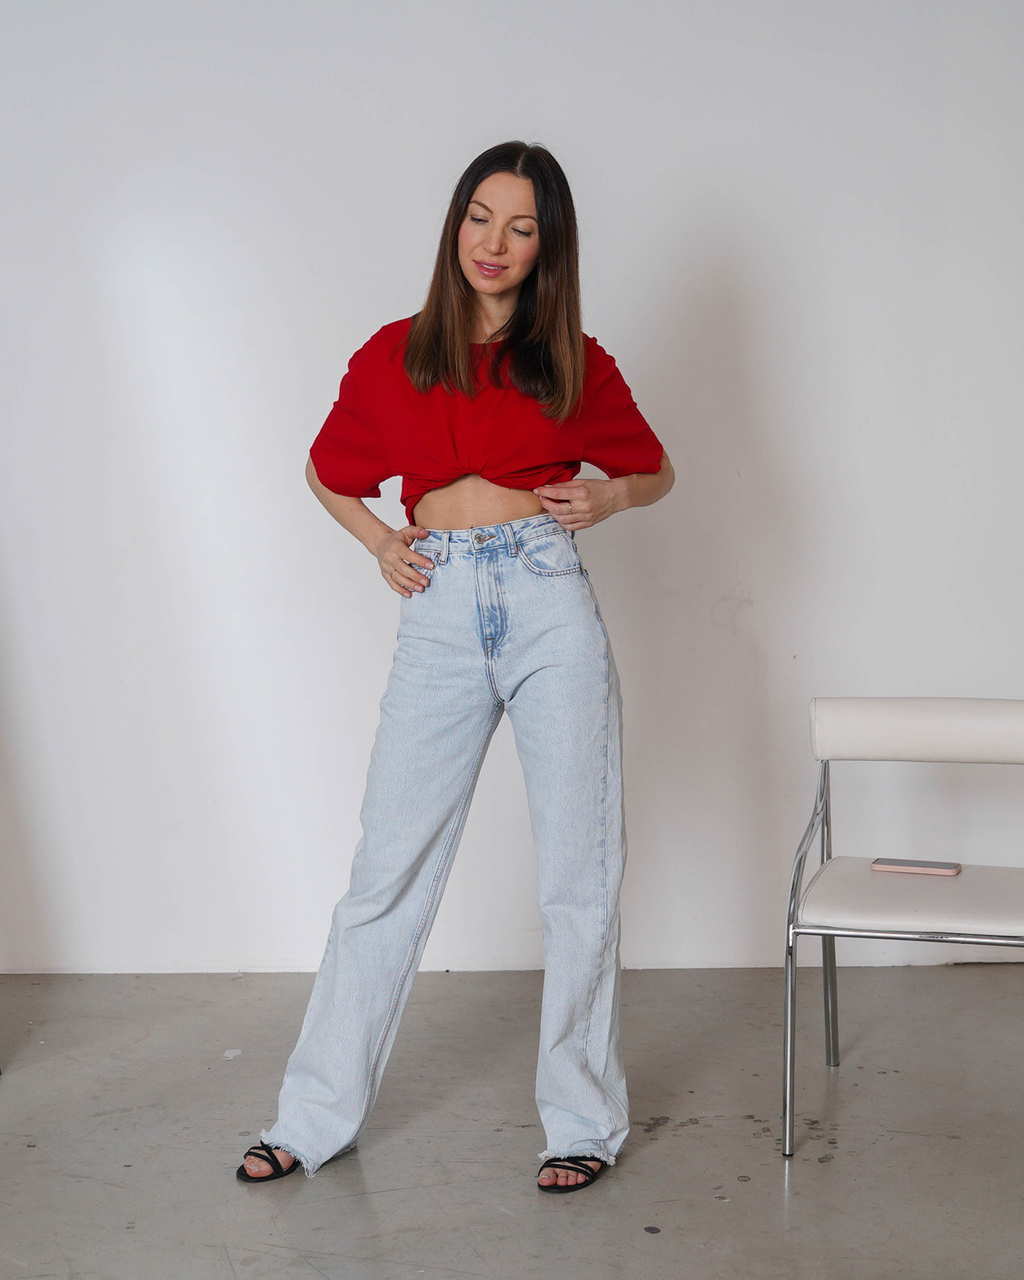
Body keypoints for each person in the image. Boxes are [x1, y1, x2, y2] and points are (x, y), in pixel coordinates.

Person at [236, 140, 674, 1194]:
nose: (495, 243)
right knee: (385, 871)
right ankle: (312, 1117)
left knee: (577, 876)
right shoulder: (395, 353)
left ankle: (581, 1121)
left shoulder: (572, 359)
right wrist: (380, 542)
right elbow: (325, 469)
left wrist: (612, 495)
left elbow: (656, 468)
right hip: (438, 607)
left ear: (547, 247)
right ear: (456, 223)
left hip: (548, 600)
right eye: (481, 216)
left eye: (521, 227)